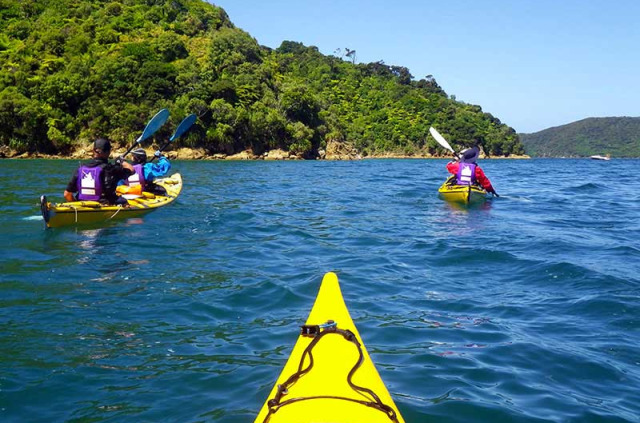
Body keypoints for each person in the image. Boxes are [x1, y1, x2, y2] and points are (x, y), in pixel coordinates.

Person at [64, 138, 134, 205]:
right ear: (108, 152)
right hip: (105, 203)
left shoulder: (80, 168)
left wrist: (76, 205)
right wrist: (122, 161)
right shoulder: (111, 169)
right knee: (125, 202)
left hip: (81, 204)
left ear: (93, 151)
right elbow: (132, 170)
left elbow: (67, 194)